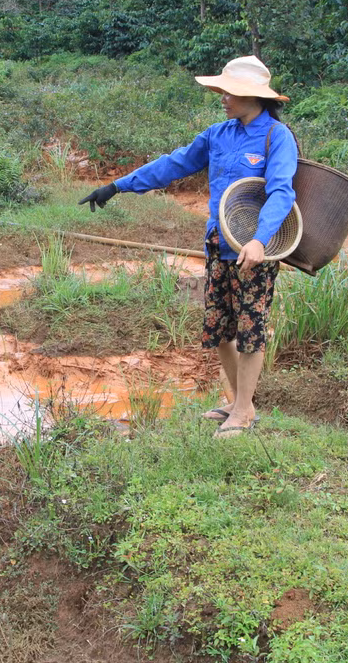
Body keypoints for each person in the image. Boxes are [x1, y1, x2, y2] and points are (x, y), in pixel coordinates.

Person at [79, 55, 298, 438]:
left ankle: (243, 412)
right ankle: (238, 402)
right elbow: (173, 164)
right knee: (221, 329)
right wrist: (116, 186)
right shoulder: (218, 134)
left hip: (254, 251)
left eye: (229, 92)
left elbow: (281, 191)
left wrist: (259, 241)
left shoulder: (276, 137)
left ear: (253, 95)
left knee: (251, 329)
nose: (222, 98)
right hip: (217, 245)